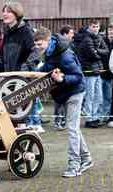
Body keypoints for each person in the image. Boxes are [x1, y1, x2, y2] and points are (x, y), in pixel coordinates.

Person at [35, 27, 92, 177]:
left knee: (72, 128)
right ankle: (86, 158)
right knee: (73, 128)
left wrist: (62, 78)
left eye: (40, 44)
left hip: (75, 93)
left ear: (48, 41)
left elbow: (78, 76)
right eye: (36, 44)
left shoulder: (65, 55)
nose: (37, 47)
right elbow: (50, 68)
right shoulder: (49, 52)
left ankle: (75, 165)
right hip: (64, 93)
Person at [78, 20, 109, 128]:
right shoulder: (86, 39)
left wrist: (97, 51)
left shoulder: (99, 37)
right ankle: (89, 119)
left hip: (97, 71)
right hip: (89, 72)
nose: (95, 28)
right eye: (93, 26)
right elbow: (92, 55)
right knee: (90, 97)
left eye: (97, 26)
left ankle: (94, 117)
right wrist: (98, 53)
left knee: (99, 97)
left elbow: (106, 51)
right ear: (89, 27)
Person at [0, 1, 34, 72]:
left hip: (22, 79)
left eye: (8, 12)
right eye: (3, 11)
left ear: (17, 14)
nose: (4, 14)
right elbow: (2, 55)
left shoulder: (26, 31)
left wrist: (25, 68)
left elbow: (35, 52)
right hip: (8, 77)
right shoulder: (7, 33)